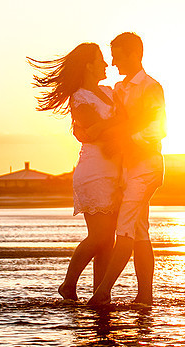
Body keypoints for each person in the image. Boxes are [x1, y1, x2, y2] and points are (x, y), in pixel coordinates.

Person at [30, 42, 123, 301]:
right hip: (94, 170)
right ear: (88, 66)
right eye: (101, 60)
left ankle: (101, 294)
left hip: (116, 170)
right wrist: (117, 123)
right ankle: (68, 284)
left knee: (109, 241)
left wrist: (109, 126)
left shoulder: (108, 91)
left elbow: (104, 130)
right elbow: (96, 132)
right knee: (100, 235)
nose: (106, 64)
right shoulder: (80, 97)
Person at [87, 32, 166, 307]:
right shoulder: (119, 89)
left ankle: (101, 294)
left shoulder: (151, 87)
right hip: (126, 168)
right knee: (140, 230)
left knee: (125, 230)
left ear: (135, 55)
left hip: (147, 167)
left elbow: (157, 129)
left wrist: (123, 140)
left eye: (118, 56)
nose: (113, 62)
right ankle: (145, 296)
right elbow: (118, 121)